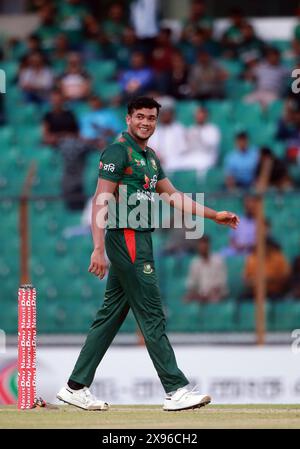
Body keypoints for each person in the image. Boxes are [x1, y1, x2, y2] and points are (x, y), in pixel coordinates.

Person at [57, 96, 239, 411]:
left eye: (151, 118)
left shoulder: (151, 157)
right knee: (152, 313)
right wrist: (98, 248)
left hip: (141, 239)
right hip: (125, 238)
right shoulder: (117, 152)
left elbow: (175, 197)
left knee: (110, 316)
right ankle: (176, 388)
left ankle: (75, 386)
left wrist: (213, 215)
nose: (146, 122)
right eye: (140, 116)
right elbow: (102, 199)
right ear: (128, 118)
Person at [184, 235, 228, 303]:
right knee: (186, 299)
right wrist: (194, 293)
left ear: (208, 246)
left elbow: (221, 283)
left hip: (216, 294)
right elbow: (191, 283)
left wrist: (208, 294)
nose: (203, 248)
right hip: (200, 295)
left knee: (215, 298)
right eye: (201, 246)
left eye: (205, 245)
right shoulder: (195, 262)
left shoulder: (218, 260)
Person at [186, 106, 221, 175]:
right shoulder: (191, 129)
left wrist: (200, 137)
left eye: (201, 116)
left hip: (207, 157)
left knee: (200, 166)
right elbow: (187, 147)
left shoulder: (213, 129)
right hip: (192, 156)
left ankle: (200, 185)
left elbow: (212, 146)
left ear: (206, 116)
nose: (199, 118)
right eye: (198, 116)